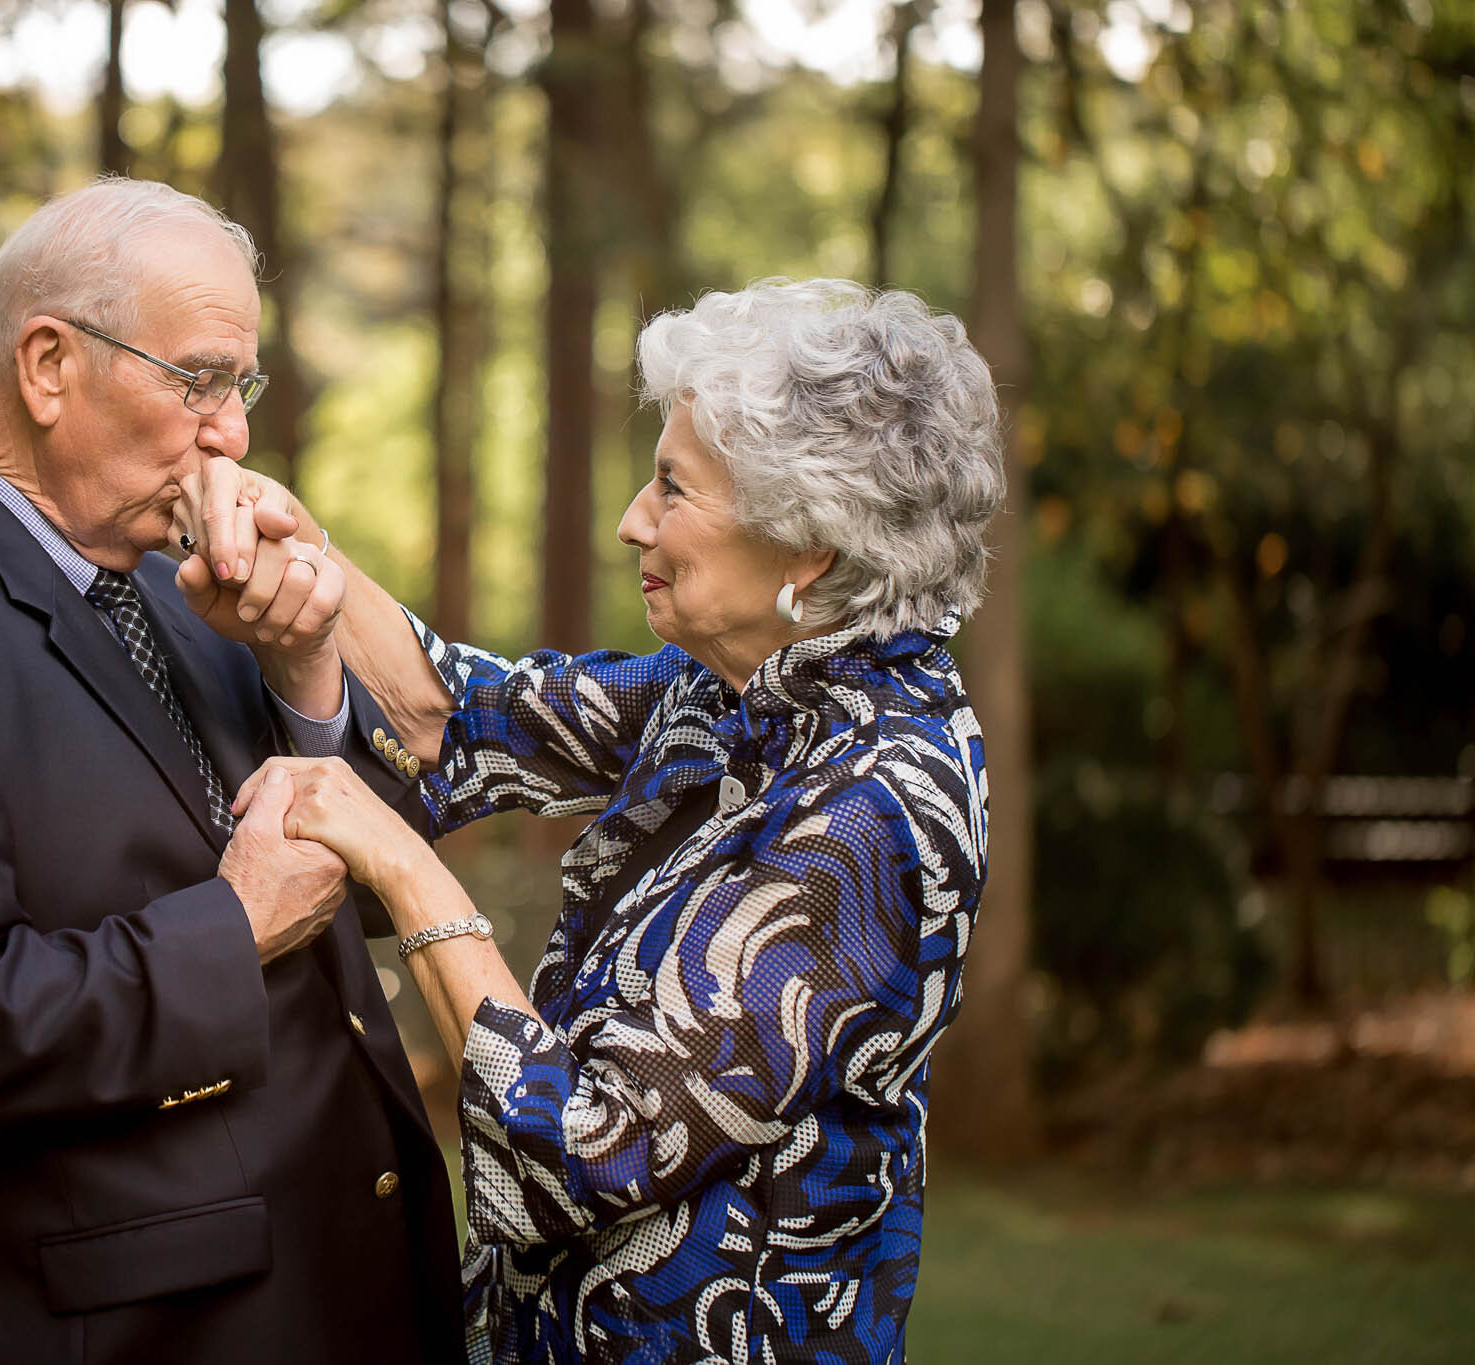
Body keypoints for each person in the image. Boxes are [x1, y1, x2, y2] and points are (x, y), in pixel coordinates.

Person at [184, 280, 1003, 1364]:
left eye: (673, 489)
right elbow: (453, 713)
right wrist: (305, 557)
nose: (632, 521)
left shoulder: (879, 806)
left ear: (806, 544)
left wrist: (404, 869)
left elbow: (579, 1153)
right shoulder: (733, 692)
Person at [0, 177, 461, 1365]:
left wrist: (304, 674)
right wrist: (229, 928)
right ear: (47, 365)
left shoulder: (175, 583)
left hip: (333, 1282)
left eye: (237, 388)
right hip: (144, 1328)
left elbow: (339, 878)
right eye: (197, 380)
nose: (230, 434)